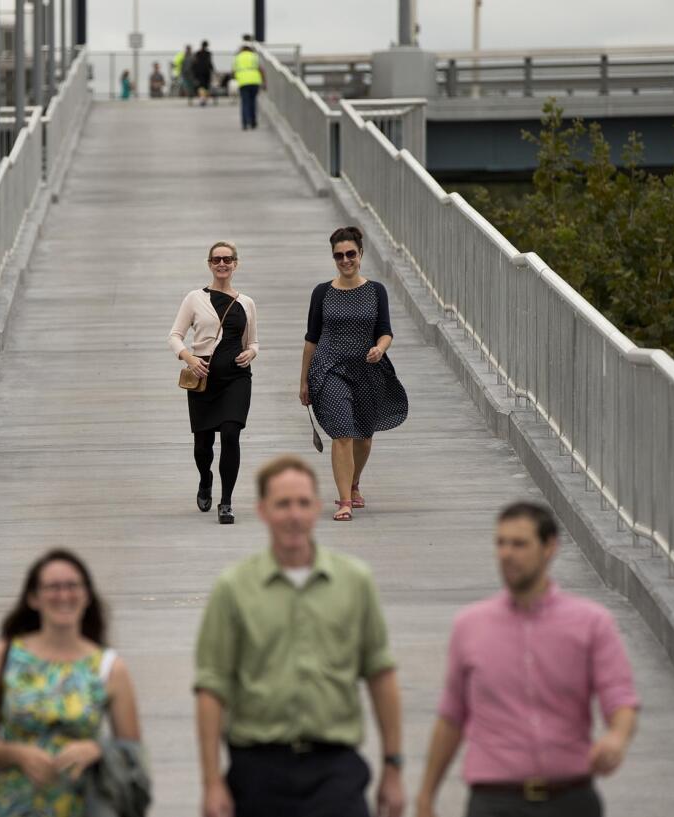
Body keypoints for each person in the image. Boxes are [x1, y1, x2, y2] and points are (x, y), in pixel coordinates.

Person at [194, 455, 406, 817]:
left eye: (303, 503)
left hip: (335, 770)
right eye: (282, 504)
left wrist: (393, 766)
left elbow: (380, 674)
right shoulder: (234, 588)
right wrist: (212, 781)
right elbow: (212, 688)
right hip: (258, 771)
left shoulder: (354, 582)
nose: (293, 515)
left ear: (317, 508)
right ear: (262, 510)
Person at [414, 502, 640, 817]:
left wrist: (616, 737)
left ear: (549, 548)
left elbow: (620, 698)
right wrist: (426, 796)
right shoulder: (470, 626)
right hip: (494, 801)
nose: (507, 554)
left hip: (570, 798)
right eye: (501, 543)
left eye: (519, 544)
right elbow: (451, 716)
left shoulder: (591, 623)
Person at [0, 549, 142, 817]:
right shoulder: (5, 656)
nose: (63, 596)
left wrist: (97, 749)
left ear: (86, 596)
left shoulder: (109, 668)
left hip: (83, 806)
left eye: (72, 586)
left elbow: (131, 753)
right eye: (52, 588)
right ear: (33, 598)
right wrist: (17, 754)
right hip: (13, 807)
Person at [299, 226, 408, 521]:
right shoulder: (322, 292)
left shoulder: (376, 291)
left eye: (350, 254)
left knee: (364, 438)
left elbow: (385, 332)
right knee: (343, 433)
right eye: (339, 256)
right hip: (329, 368)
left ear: (361, 254)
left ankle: (354, 481)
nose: (345, 260)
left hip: (367, 369)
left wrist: (380, 348)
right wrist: (303, 380)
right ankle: (345, 500)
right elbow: (311, 338)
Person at [168, 241, 259, 524]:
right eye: (217, 259)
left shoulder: (246, 302)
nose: (222, 264)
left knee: (231, 434)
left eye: (228, 259)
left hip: (237, 377)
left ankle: (226, 502)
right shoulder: (195, 298)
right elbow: (174, 335)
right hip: (203, 378)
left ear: (236, 264)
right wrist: (189, 358)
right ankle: (205, 479)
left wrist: (251, 352)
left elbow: (253, 340)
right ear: (209, 263)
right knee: (203, 445)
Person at [232, 43, 264, 129]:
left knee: (245, 102)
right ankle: (253, 122)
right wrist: (264, 82)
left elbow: (233, 71)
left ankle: (245, 123)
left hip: (243, 82)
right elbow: (260, 69)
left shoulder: (237, 57)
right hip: (254, 81)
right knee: (253, 102)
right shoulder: (254, 56)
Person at [192, 41, 214, 106]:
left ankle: (202, 99)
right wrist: (212, 70)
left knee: (201, 87)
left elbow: (194, 63)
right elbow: (210, 63)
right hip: (206, 72)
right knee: (206, 86)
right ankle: (204, 99)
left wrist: (194, 72)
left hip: (199, 73)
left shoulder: (197, 53)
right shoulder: (208, 53)